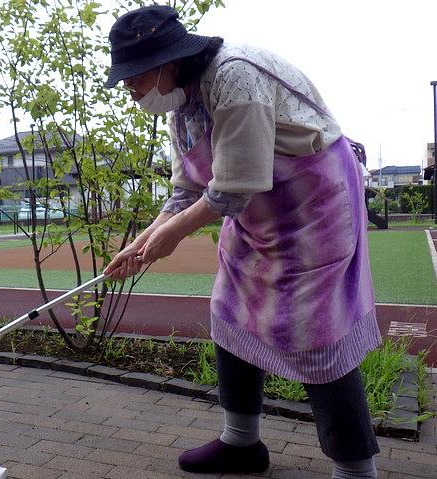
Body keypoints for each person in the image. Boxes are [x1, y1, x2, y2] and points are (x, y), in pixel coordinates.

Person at [102, 5, 381, 479]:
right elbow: (188, 190)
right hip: (255, 213)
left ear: (168, 64)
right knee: (229, 309)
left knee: (318, 332)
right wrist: (143, 239)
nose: (128, 87)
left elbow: (232, 187)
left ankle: (356, 469)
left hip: (315, 206)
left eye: (135, 75)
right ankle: (241, 443)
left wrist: (169, 237)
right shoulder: (181, 101)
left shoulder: (236, 77)